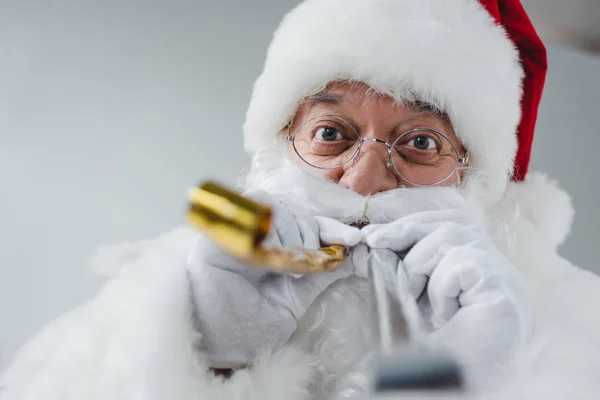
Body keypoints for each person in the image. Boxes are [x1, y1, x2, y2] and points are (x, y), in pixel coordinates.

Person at [2, 0, 600, 399]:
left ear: (476, 179)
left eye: (420, 143)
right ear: (277, 145)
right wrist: (209, 359)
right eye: (331, 134)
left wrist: (489, 377)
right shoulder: (153, 293)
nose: (363, 180)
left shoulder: (573, 322)